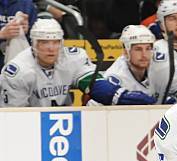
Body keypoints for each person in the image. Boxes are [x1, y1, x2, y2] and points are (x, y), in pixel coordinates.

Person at [0, 18, 148, 107]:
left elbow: (94, 86)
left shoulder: (72, 58)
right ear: (34, 44)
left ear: (62, 43)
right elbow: (14, 117)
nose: (51, 48)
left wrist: (118, 96)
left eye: (56, 42)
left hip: (67, 124)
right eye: (44, 42)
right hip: (29, 127)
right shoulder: (18, 71)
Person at [100, 25, 177, 105]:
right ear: (126, 51)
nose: (144, 54)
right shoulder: (116, 75)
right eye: (138, 49)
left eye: (148, 48)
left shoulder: (162, 62)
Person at [0, 0, 37, 67]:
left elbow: (36, 41)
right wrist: (1, 34)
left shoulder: (27, 4)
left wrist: (27, 30)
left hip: (18, 62)